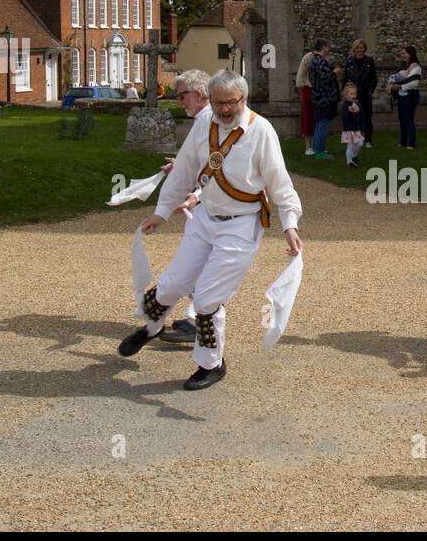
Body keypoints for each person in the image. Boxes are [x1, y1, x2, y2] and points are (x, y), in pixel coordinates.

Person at [118, 70, 304, 391]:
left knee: (205, 299)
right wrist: (162, 212)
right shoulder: (204, 122)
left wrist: (289, 224)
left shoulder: (261, 131)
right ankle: (151, 327)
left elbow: (279, 183)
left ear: (243, 99)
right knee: (172, 283)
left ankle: (212, 364)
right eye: (218, 104)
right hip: (204, 219)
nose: (224, 110)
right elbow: (185, 168)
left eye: (231, 103)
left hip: (241, 226)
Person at [154, 69, 214, 345]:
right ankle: (195, 319)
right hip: (207, 205)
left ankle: (199, 324)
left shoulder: (210, 119)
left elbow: (224, 165)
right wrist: (180, 167)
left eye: (182, 96)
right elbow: (201, 159)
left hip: (217, 208)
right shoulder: (205, 119)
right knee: (199, 264)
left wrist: (198, 195)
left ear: (199, 95)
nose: (180, 102)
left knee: (202, 265)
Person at [342, 39, 378, 148]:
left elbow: (373, 79)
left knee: (366, 117)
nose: (359, 50)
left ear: (364, 49)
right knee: (353, 117)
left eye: (361, 47)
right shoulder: (349, 61)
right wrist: (346, 93)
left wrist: (369, 91)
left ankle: (368, 140)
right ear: (354, 49)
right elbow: (345, 78)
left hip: (365, 94)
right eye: (357, 48)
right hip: (352, 96)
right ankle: (354, 139)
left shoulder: (369, 61)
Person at [309, 39, 338, 159]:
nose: (329, 49)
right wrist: (335, 72)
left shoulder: (315, 60)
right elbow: (325, 78)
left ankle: (317, 150)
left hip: (318, 97)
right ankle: (319, 152)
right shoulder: (319, 61)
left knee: (319, 125)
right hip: (324, 98)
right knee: (322, 125)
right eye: (328, 46)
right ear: (323, 47)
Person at [389, 46, 422, 149]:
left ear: (411, 54)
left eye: (405, 53)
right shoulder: (403, 67)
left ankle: (411, 143)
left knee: (408, 119)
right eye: (402, 53)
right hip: (402, 96)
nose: (402, 55)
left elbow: (414, 82)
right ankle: (402, 142)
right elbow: (395, 78)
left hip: (411, 95)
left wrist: (400, 86)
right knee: (402, 119)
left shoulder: (415, 66)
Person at [340, 82, 365, 167]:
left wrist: (362, 129)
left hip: (356, 130)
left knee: (360, 143)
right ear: (346, 95)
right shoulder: (345, 106)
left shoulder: (358, 105)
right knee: (350, 147)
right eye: (351, 94)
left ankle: (354, 156)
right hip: (348, 130)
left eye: (355, 93)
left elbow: (361, 117)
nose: (354, 96)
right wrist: (350, 110)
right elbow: (344, 117)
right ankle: (349, 162)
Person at [296, 49, 315, 155]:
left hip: (314, 91)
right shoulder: (310, 57)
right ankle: (308, 147)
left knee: (316, 120)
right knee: (308, 119)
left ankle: (315, 146)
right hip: (308, 90)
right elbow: (301, 76)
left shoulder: (320, 58)